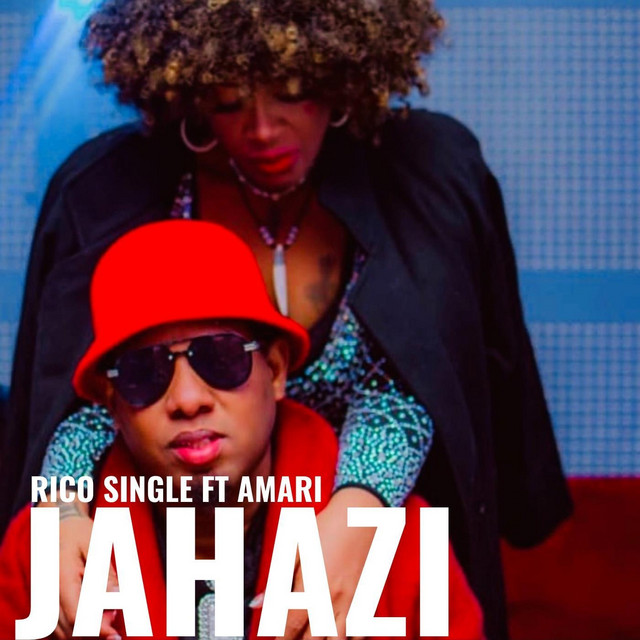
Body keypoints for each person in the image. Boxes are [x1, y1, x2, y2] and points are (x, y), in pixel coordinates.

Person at [0, 1, 572, 638]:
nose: (263, 129)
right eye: (226, 101)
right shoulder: (104, 193)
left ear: (343, 71)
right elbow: (97, 389)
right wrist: (59, 507)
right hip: (172, 536)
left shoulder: (430, 178)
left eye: (295, 92)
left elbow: (446, 375)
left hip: (384, 543)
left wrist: (363, 506)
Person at [0, 220, 485, 640]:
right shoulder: (43, 552)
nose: (188, 398)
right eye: (144, 373)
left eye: (221, 357)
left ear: (275, 370)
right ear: (111, 404)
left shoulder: (400, 542)